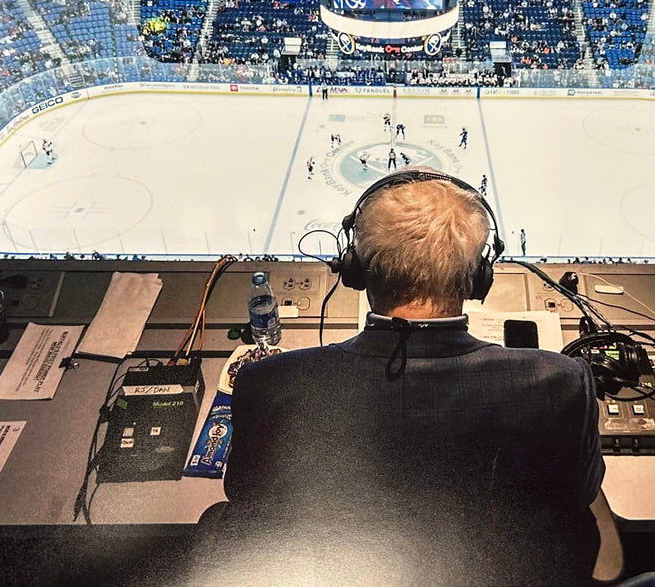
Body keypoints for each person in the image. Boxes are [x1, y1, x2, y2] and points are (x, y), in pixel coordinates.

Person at [204, 169, 605, 584]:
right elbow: (579, 494)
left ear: (355, 269)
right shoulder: (561, 382)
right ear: (478, 276)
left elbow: (245, 494)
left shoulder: (268, 382)